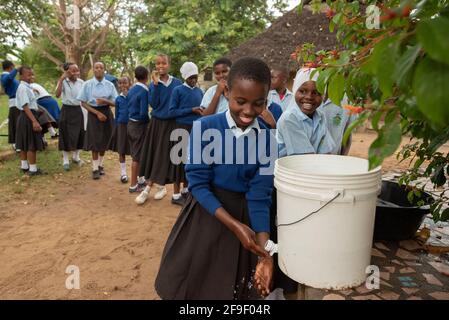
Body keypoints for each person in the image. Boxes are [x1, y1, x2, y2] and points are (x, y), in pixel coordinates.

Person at [154, 57, 275, 300]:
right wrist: (234, 226)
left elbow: (260, 196)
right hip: (206, 214)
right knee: (197, 284)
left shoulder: (267, 139)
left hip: (247, 216)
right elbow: (197, 184)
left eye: (258, 103)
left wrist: (265, 254)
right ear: (226, 92)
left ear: (266, 100)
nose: (248, 111)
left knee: (237, 289)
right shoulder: (205, 127)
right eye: (240, 101)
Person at [135, 54, 183, 205]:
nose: (161, 66)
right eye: (158, 64)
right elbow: (154, 104)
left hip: (173, 124)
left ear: (169, 65)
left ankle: (163, 189)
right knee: (156, 155)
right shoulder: (153, 84)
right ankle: (151, 188)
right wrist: (155, 85)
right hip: (157, 124)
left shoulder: (177, 83)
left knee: (172, 157)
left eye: (164, 63)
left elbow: (180, 104)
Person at [276, 67, 335, 157]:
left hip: (311, 167)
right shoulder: (289, 119)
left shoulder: (320, 116)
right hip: (290, 169)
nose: (309, 97)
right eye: (302, 91)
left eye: (316, 93)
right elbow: (304, 158)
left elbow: (326, 153)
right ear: (295, 91)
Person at [168, 61, 204, 205]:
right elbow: (171, 112)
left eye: (195, 77)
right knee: (178, 161)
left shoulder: (199, 91)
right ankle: (175, 195)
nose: (193, 80)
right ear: (185, 77)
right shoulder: (178, 90)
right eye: (190, 78)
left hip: (195, 129)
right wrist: (191, 110)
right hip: (180, 128)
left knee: (189, 161)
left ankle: (185, 190)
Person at [77, 61, 118, 180]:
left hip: (106, 113)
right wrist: (97, 113)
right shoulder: (87, 85)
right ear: (93, 70)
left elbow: (116, 102)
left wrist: (105, 101)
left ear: (104, 70)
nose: (99, 69)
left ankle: (100, 165)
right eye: (96, 67)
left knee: (105, 141)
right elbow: (83, 102)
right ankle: (95, 169)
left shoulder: (109, 85)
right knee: (95, 142)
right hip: (93, 113)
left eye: (101, 67)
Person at [15, 66, 45, 176]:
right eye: (28, 74)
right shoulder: (23, 88)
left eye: (32, 74)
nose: (31, 76)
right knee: (31, 143)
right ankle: (33, 169)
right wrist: (34, 121)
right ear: (21, 76)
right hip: (28, 116)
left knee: (24, 143)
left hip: (25, 117)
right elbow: (25, 105)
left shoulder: (26, 87)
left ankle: (24, 166)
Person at [55, 62, 85, 171]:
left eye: (77, 70)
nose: (76, 72)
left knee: (79, 132)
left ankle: (76, 157)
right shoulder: (63, 82)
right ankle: (65, 160)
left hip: (78, 110)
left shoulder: (82, 82)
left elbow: (85, 97)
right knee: (65, 134)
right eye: (73, 70)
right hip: (66, 110)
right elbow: (57, 95)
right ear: (67, 72)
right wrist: (61, 80)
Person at [126, 66, 151, 192]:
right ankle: (133, 185)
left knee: (138, 153)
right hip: (139, 126)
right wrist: (150, 122)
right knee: (136, 157)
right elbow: (143, 113)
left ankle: (140, 180)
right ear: (147, 76)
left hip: (130, 124)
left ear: (135, 77)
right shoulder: (144, 91)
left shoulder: (131, 90)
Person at [108, 76, 131, 182]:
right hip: (121, 126)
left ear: (129, 84)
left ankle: (140, 175)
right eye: (120, 83)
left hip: (133, 125)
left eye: (125, 83)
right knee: (121, 149)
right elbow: (117, 115)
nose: (122, 85)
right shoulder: (118, 99)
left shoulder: (133, 96)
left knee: (135, 149)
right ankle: (123, 173)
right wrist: (116, 128)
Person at [1, 60, 20, 151]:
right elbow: (7, 79)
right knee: (15, 123)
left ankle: (19, 142)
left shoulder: (10, 76)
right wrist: (16, 69)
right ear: (11, 67)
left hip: (19, 101)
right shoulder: (4, 76)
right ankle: (15, 143)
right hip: (14, 102)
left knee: (20, 122)